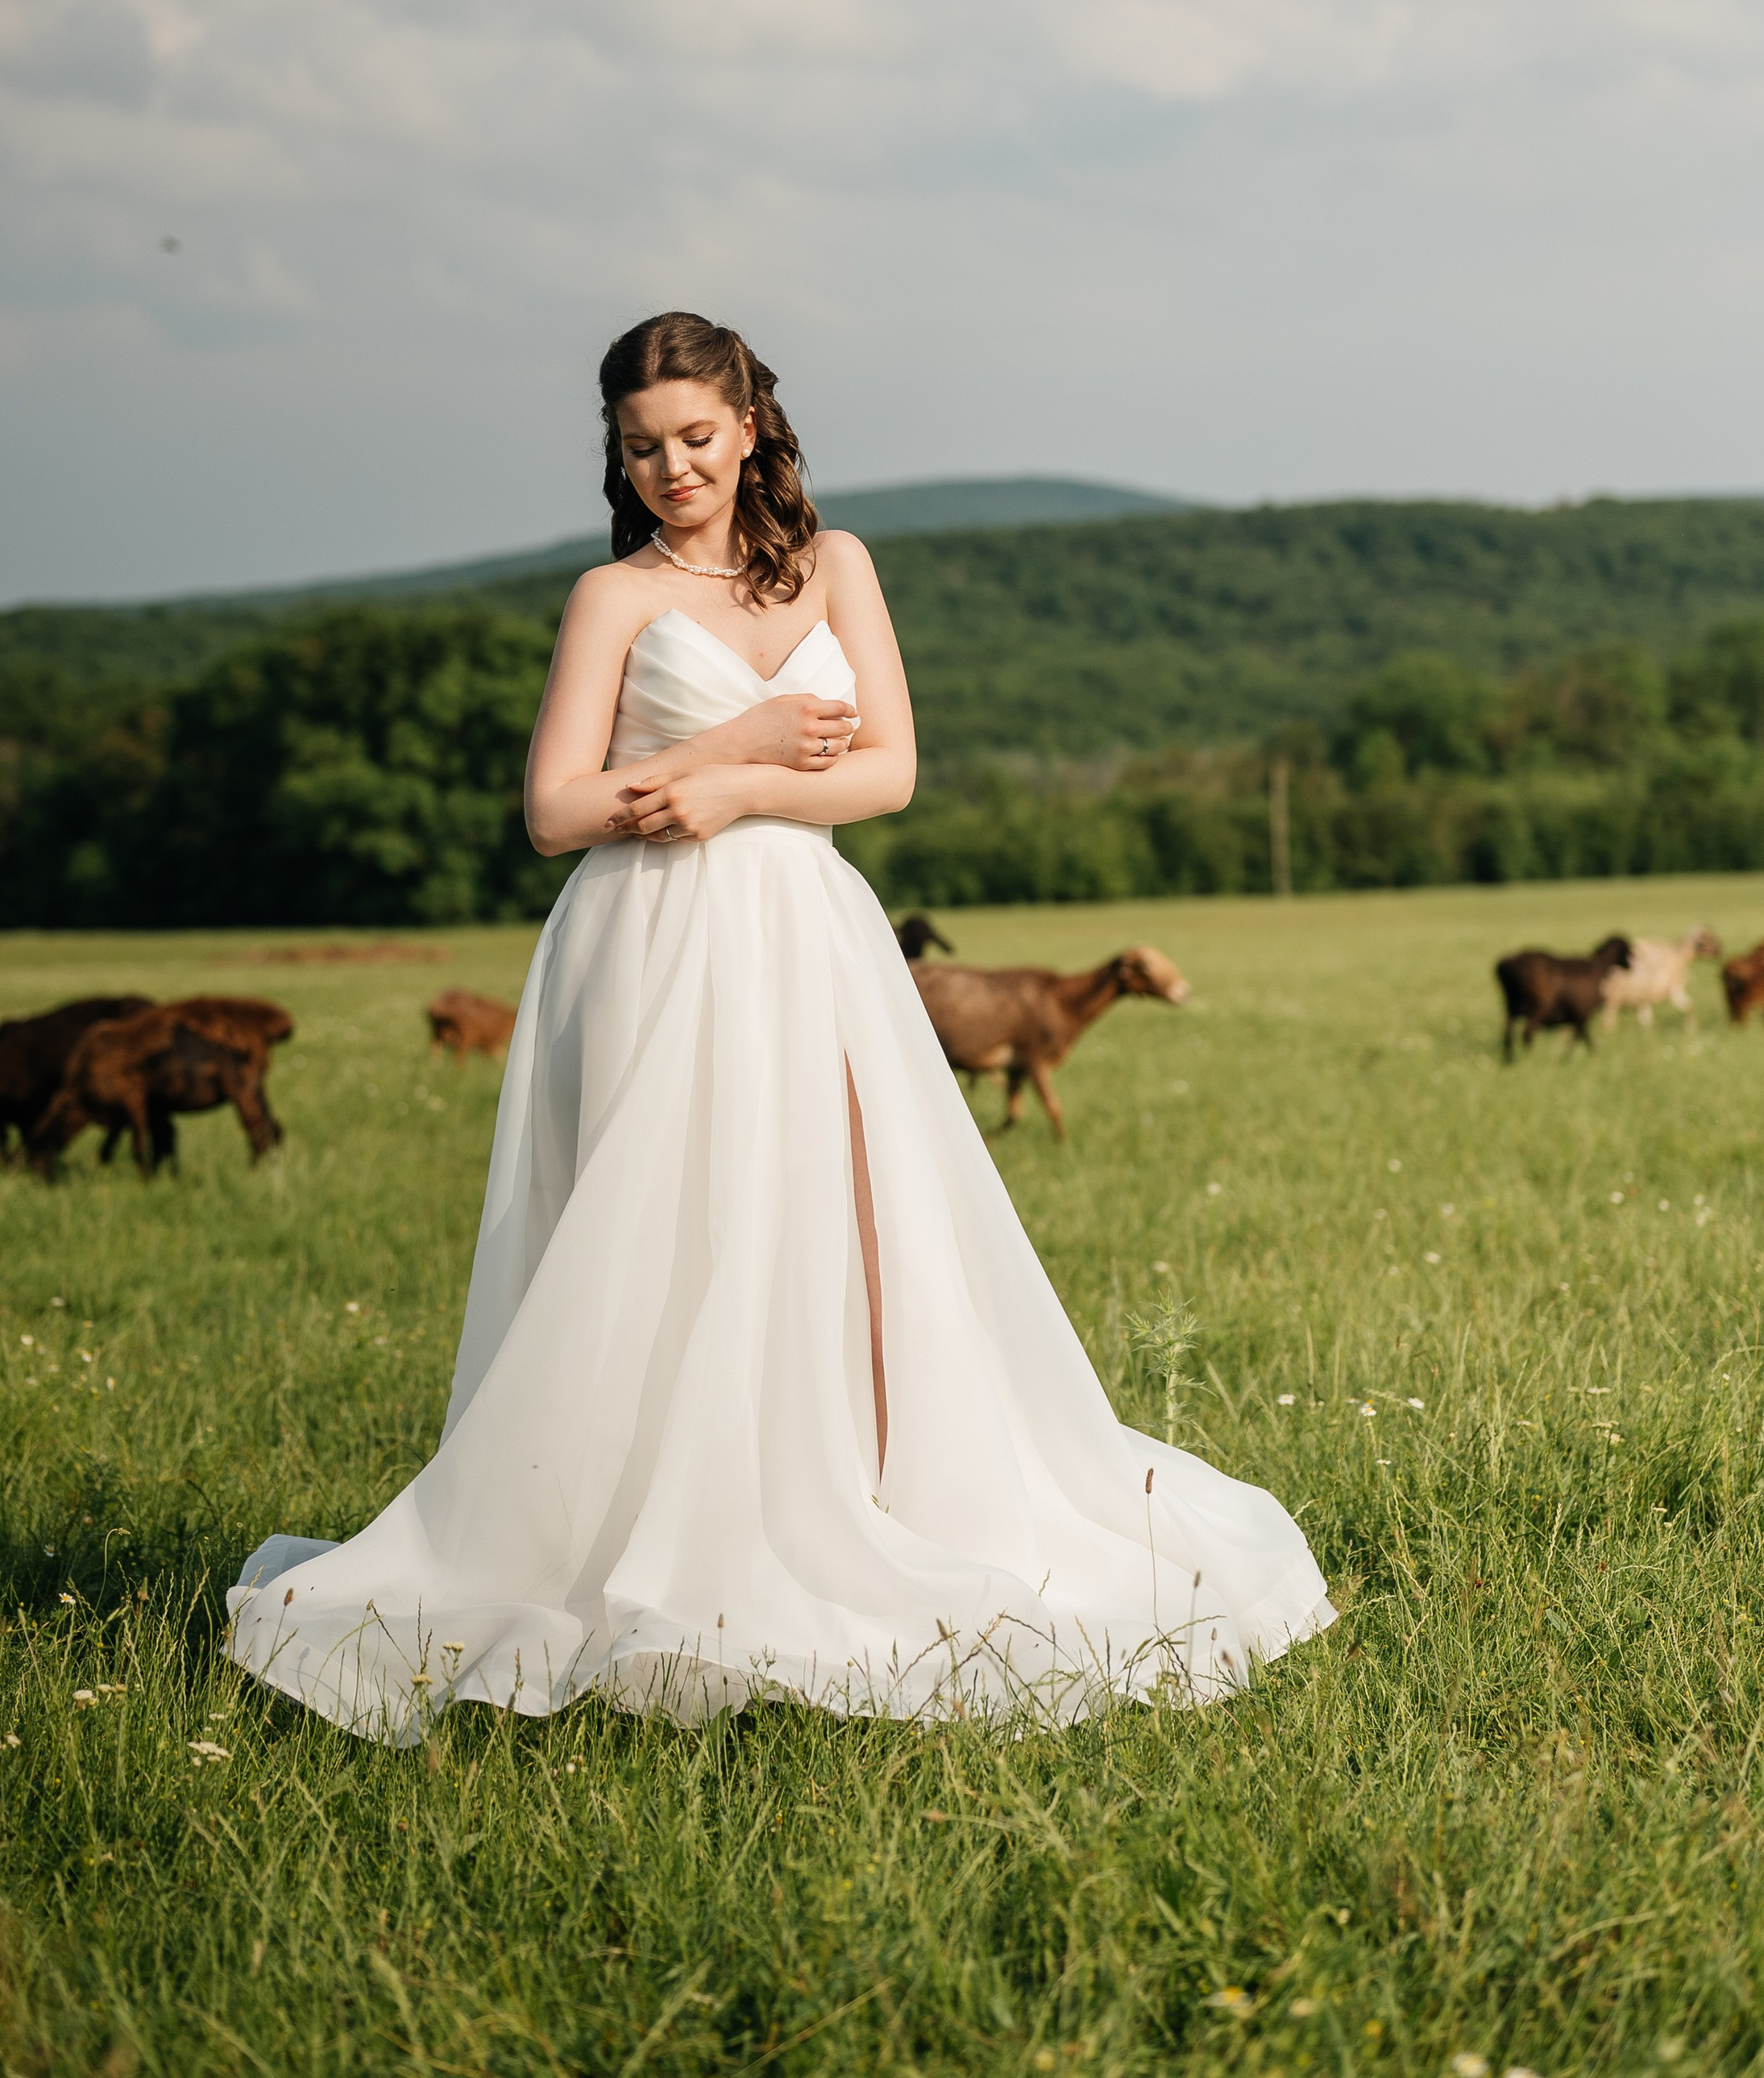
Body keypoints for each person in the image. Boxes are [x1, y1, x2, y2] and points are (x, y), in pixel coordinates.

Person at [228, 313, 1331, 1738]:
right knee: (668, 1225)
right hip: (649, 940)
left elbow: (891, 770)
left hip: (806, 934)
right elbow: (557, 811)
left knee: (829, 1217)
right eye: (641, 447)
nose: (672, 468)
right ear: (616, 457)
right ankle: (629, 1533)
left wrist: (750, 794)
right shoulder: (610, 599)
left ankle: (846, 1491)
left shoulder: (836, 567)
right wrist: (719, 752)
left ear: (751, 425)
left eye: (696, 436)